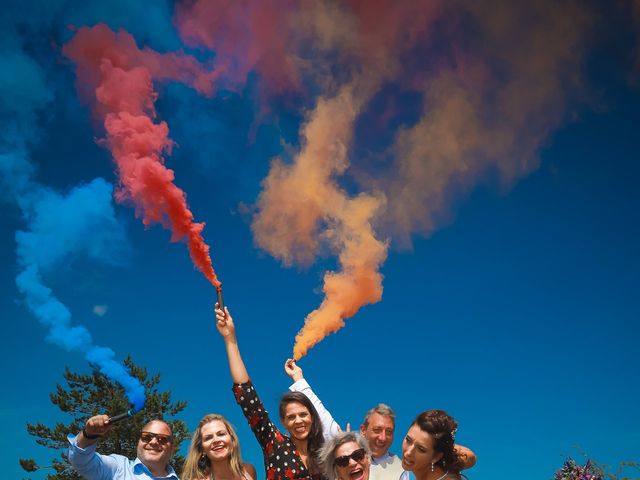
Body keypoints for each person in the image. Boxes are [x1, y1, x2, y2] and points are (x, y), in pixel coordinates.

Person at [284, 361, 476, 480]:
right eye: (377, 430)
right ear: (363, 430)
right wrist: (299, 379)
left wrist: (439, 451)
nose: (382, 438)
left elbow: (470, 457)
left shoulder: (404, 468)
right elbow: (322, 416)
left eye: (389, 431)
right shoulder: (348, 451)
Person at [215, 304, 326, 480]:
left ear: (312, 417)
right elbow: (246, 396)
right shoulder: (275, 444)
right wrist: (230, 339)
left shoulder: (325, 454)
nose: (298, 420)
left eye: (303, 414)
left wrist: (298, 378)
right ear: (283, 422)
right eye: (291, 417)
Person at [67, 414, 178, 479]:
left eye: (162, 439)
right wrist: (88, 435)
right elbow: (80, 461)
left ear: (173, 448)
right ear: (138, 442)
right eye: (146, 437)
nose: (153, 442)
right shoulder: (117, 468)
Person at [182, 413, 257, 480]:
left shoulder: (249, 471)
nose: (216, 440)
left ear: (232, 440)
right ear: (202, 449)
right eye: (208, 438)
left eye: (221, 434)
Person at [400, 410, 465, 480]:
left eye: (421, 449)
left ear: (436, 457)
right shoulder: (409, 474)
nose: (408, 453)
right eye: (408, 440)